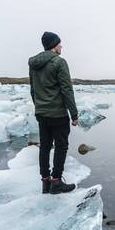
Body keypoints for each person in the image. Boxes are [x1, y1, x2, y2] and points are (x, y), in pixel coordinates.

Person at [28, 31, 79, 194]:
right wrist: (74, 113)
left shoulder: (33, 64)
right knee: (61, 146)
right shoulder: (59, 62)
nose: (61, 46)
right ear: (54, 45)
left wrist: (39, 106)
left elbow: (33, 89)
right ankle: (56, 182)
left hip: (42, 113)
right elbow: (66, 89)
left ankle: (45, 182)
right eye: (59, 43)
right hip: (58, 114)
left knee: (45, 147)